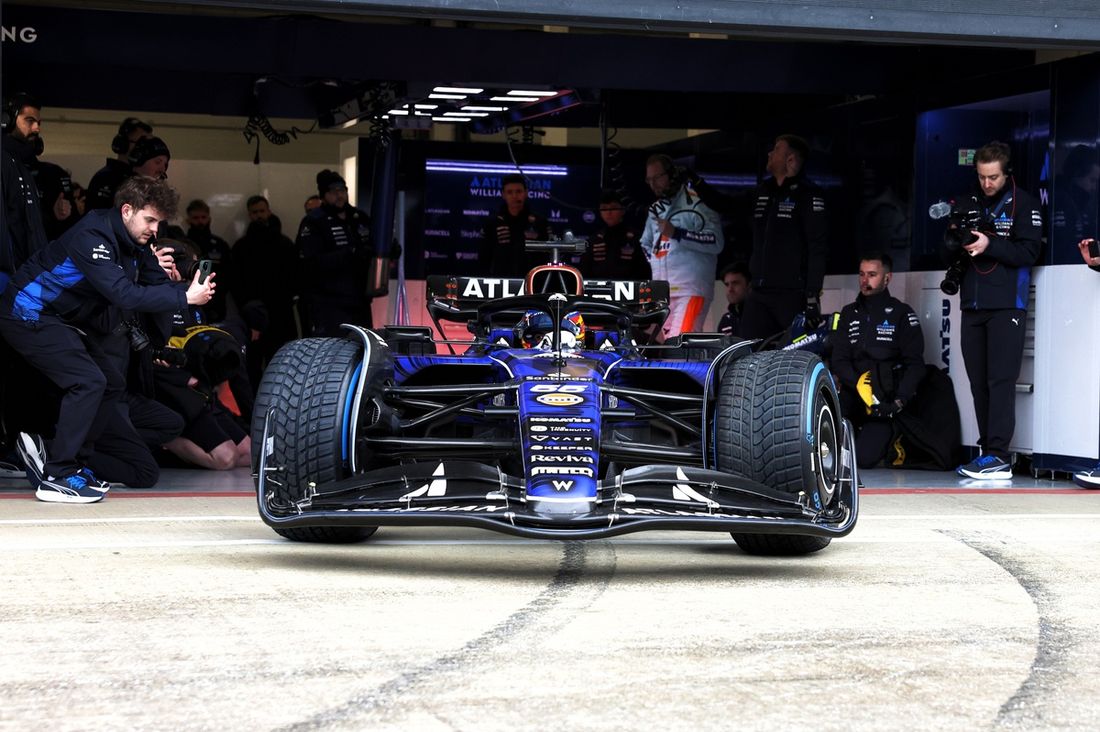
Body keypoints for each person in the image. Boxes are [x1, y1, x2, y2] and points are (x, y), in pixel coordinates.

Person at [0, 176, 215, 503]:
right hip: (26, 311)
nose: (155, 229)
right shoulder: (93, 235)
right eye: (150, 220)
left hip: (58, 318)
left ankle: (73, 463)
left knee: (110, 382)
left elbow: (157, 284)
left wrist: (188, 286)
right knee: (88, 381)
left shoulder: (136, 242)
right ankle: (57, 475)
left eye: (159, 222)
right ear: (127, 210)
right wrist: (185, 297)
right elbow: (123, 294)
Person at [948, 141, 1042, 480]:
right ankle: (987, 451)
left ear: (1007, 173)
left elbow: (1029, 253)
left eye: (993, 177)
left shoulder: (1025, 204)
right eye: (982, 177)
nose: (987, 183)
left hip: (1007, 304)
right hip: (972, 303)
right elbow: (952, 249)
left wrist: (990, 244)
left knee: (1000, 381)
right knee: (978, 383)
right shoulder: (967, 203)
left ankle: (999, 455)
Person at [829, 253, 925, 469]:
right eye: (862, 274)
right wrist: (859, 385)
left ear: (887, 278)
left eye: (872, 275)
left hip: (884, 399)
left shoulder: (901, 313)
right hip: (854, 393)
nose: (865, 280)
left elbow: (916, 365)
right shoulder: (848, 313)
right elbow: (839, 360)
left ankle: (893, 437)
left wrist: (899, 402)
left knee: (863, 459)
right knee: (826, 445)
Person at [740, 134, 829, 340]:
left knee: (794, 351)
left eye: (776, 149)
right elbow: (727, 205)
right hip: (759, 292)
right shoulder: (764, 190)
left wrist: (812, 295)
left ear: (791, 159)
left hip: (791, 294)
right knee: (747, 349)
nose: (769, 153)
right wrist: (697, 182)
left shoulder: (809, 194)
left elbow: (818, 247)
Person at [639, 154, 724, 340]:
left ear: (672, 174)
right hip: (663, 292)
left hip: (691, 289)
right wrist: (655, 263)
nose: (653, 184)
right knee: (673, 346)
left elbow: (716, 241)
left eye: (657, 177)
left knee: (679, 345)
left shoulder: (699, 203)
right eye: (649, 180)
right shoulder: (656, 209)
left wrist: (678, 233)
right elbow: (645, 243)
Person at [295, 169, 373, 334]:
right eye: (333, 191)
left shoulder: (359, 217)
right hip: (329, 303)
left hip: (359, 300)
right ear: (324, 195)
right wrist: (349, 254)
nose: (339, 195)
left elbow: (372, 246)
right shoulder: (314, 221)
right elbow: (310, 263)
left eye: (342, 190)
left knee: (364, 345)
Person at [232, 195, 298, 387]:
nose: (259, 215)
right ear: (249, 215)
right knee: (253, 366)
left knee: (282, 362)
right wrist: (247, 308)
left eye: (262, 211)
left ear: (269, 212)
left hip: (280, 312)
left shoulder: (284, 243)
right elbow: (236, 281)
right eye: (255, 212)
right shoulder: (241, 247)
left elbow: (295, 275)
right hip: (254, 316)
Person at [1, 93, 50, 283]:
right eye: (30, 121)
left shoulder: (23, 166)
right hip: (8, 280)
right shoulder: (4, 163)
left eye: (39, 123)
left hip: (27, 276)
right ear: (7, 120)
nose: (37, 128)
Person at [479, 173, 551, 277]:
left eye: (518, 191)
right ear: (503, 194)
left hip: (533, 281)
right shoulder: (492, 224)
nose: (514, 196)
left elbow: (548, 257)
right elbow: (484, 259)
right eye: (509, 192)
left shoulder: (540, 223)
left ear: (526, 193)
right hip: (500, 281)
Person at [86, 117, 152, 210]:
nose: (145, 148)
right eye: (140, 143)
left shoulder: (139, 178)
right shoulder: (106, 178)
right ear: (123, 144)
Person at [580, 190, 649, 280]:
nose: (609, 212)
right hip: (599, 287)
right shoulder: (594, 240)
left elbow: (644, 270)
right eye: (604, 208)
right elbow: (585, 272)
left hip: (630, 287)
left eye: (613, 208)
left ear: (623, 210)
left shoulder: (636, 238)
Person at [185, 198, 232, 321]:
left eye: (203, 217)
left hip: (217, 302)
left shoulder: (220, 244)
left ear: (209, 218)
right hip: (189, 302)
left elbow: (230, 274)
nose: (200, 221)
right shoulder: (182, 245)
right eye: (195, 218)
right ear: (188, 220)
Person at [717, 262, 751, 338]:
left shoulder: (762, 316)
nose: (730, 289)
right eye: (727, 284)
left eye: (735, 283)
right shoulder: (726, 320)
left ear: (749, 285)